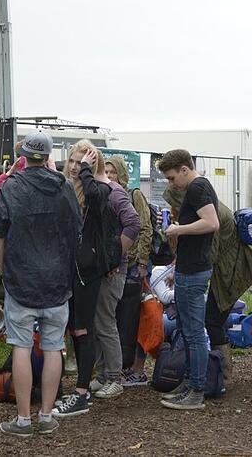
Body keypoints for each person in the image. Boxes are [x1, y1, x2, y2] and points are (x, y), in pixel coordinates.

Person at [0, 132, 80, 436]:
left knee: (22, 348)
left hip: (21, 280)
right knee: (54, 348)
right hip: (57, 281)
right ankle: (46, 415)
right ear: (50, 156)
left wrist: (3, 271)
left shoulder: (12, 187)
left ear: (24, 156)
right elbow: (75, 230)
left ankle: (24, 419)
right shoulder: (65, 187)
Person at [162, 184, 252, 383]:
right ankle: (219, 372)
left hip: (231, 269)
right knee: (213, 319)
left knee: (212, 320)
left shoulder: (206, 213)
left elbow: (209, 252)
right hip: (226, 268)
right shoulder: (205, 206)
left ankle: (223, 374)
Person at [54, 140, 122, 417]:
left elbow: (97, 196)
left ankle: (81, 393)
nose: (73, 166)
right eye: (71, 160)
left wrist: (87, 170)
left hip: (87, 271)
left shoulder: (101, 189)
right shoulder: (66, 189)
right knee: (71, 329)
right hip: (66, 268)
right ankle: (71, 388)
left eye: (80, 162)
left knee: (83, 330)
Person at [155, 149, 220, 410]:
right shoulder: (196, 189)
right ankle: (190, 382)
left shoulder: (197, 187)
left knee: (193, 332)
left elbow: (211, 223)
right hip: (188, 267)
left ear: (184, 169)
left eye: (171, 178)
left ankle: (196, 389)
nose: (171, 184)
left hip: (195, 271)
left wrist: (179, 229)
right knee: (186, 328)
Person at [105, 155, 154, 387]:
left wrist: (142, 262)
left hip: (134, 265)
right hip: (116, 264)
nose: (110, 176)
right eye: (106, 171)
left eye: (113, 172)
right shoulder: (106, 195)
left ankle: (136, 368)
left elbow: (145, 228)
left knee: (133, 319)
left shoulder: (133, 195)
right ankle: (120, 365)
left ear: (121, 173)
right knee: (116, 319)